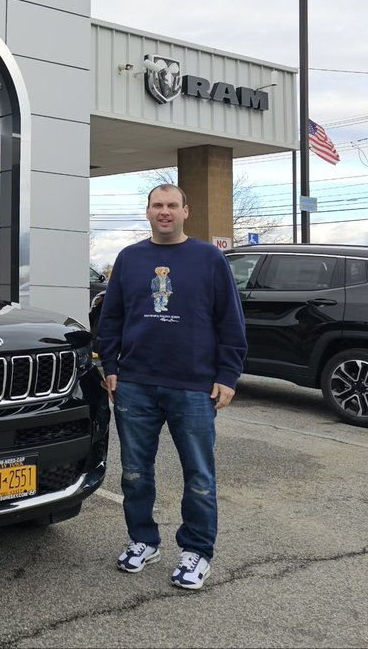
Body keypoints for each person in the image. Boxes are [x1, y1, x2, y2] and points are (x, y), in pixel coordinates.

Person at [95, 183, 247, 590]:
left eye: (172, 205)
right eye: (157, 205)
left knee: (198, 474)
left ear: (186, 211)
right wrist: (111, 364)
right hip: (136, 384)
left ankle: (197, 550)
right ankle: (143, 540)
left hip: (194, 387)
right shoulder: (128, 258)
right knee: (134, 473)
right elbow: (111, 319)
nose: (164, 212)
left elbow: (230, 321)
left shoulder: (209, 258)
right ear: (147, 212)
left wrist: (227, 375)